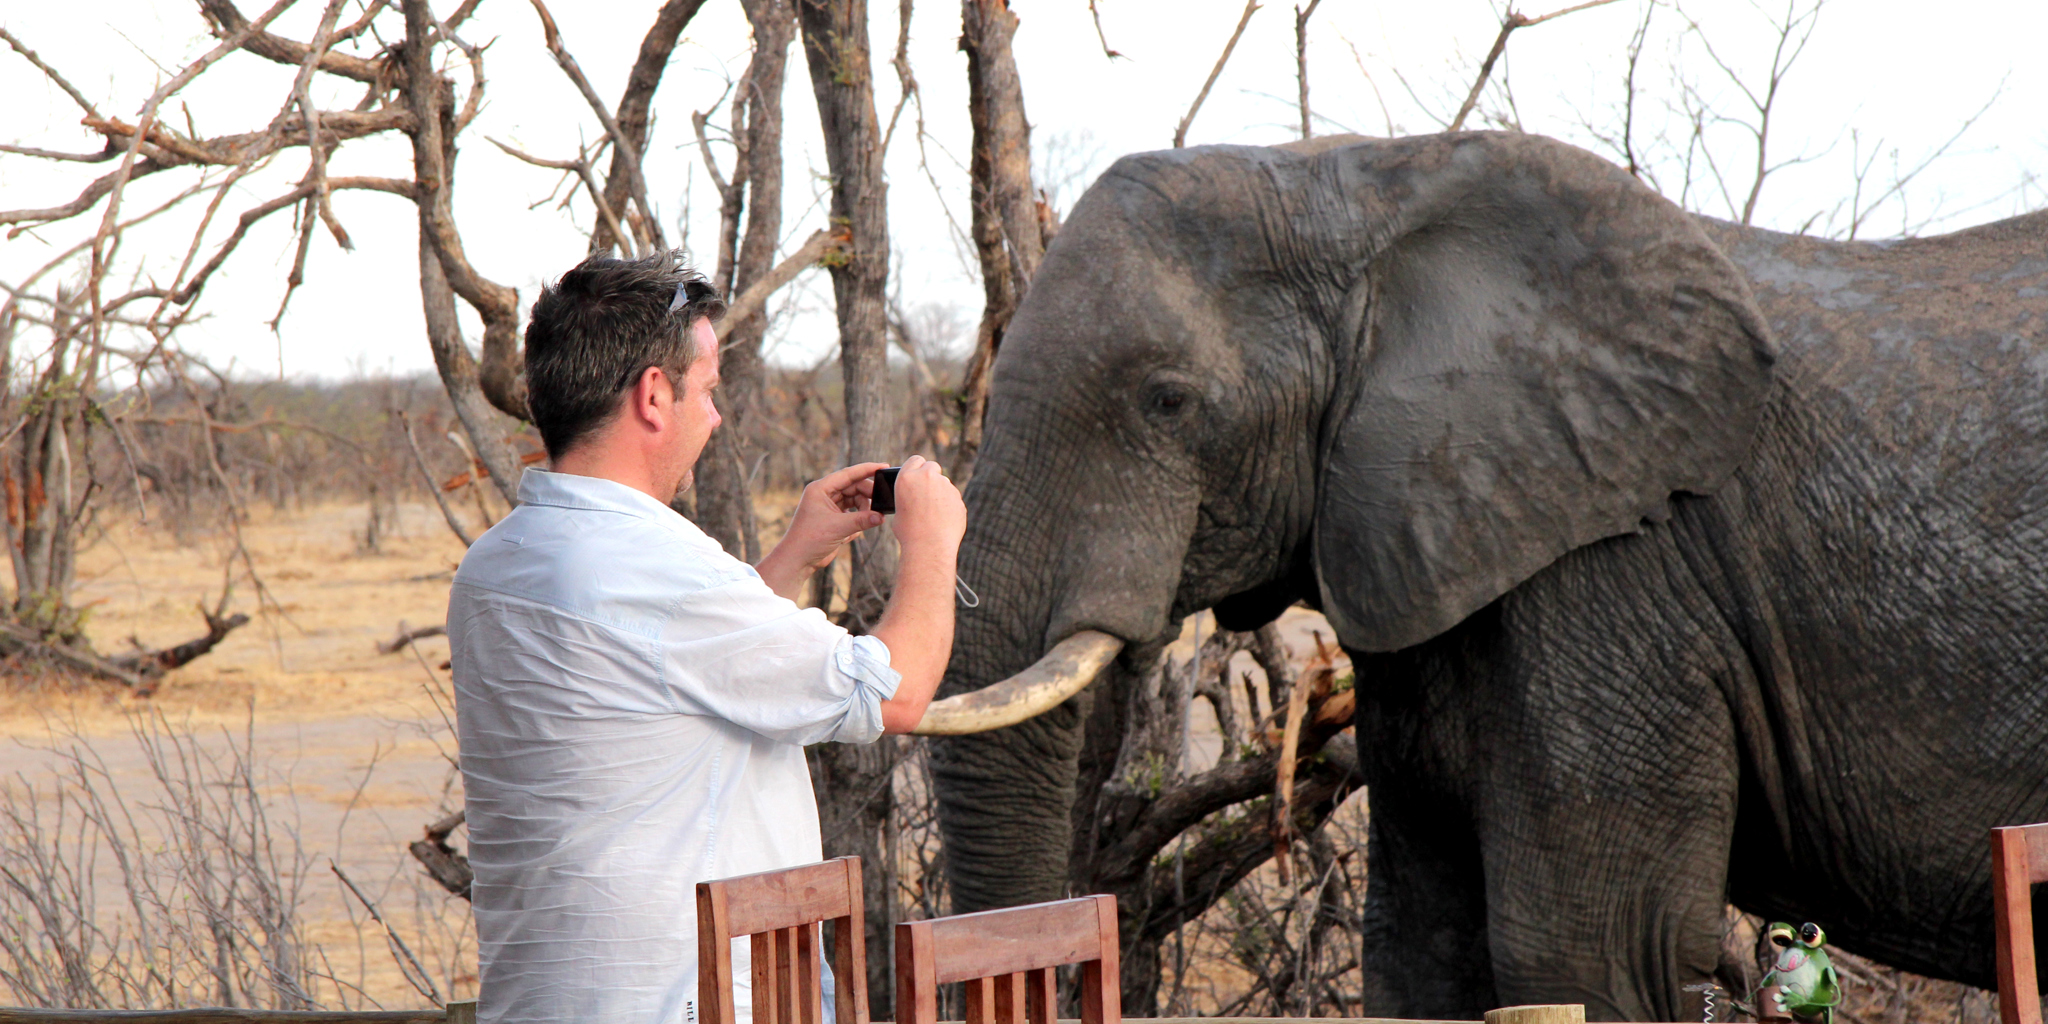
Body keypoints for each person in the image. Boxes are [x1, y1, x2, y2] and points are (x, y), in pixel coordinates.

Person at [447, 250, 966, 1024]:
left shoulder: (492, 567)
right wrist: (933, 538)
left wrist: (794, 554)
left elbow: (662, 676)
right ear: (655, 394)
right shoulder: (662, 570)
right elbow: (893, 690)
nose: (715, 417)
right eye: (710, 389)